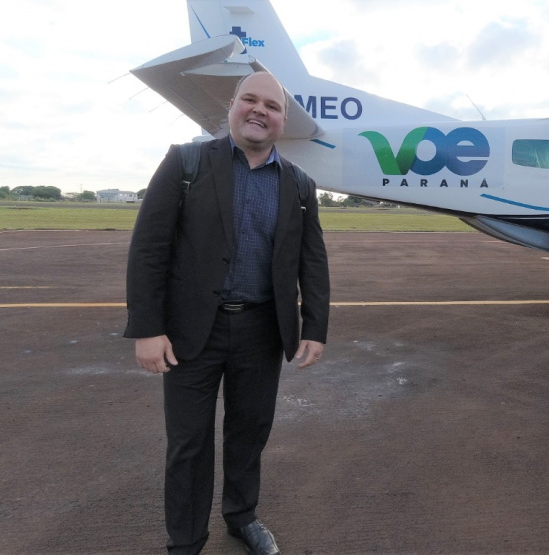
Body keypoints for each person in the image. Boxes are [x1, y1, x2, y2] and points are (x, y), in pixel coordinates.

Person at [125, 71, 330, 555]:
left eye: (273, 106)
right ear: (232, 106)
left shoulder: (298, 184)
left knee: (249, 433)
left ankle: (241, 515)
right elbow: (149, 248)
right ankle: (186, 542)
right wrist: (147, 329)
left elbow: (311, 260)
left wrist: (315, 327)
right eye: (250, 100)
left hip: (262, 330)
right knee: (189, 443)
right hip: (192, 330)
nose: (260, 111)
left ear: (282, 120)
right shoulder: (187, 162)